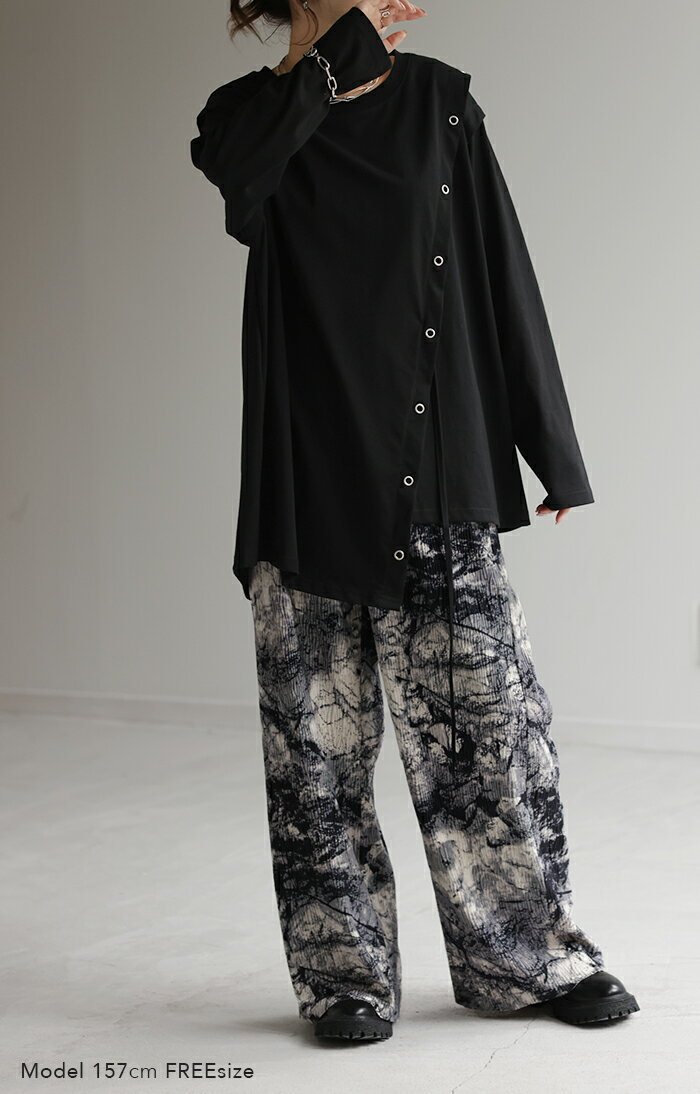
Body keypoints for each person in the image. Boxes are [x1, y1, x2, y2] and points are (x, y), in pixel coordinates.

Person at [190, 0, 639, 1042]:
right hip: (306, 486)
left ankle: (524, 959)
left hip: (438, 473)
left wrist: (550, 443)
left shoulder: (440, 103)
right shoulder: (245, 117)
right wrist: (331, 61)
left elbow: (500, 269)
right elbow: (242, 186)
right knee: (316, 758)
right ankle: (345, 979)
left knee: (489, 738)